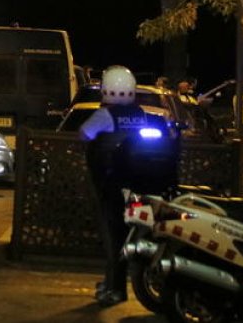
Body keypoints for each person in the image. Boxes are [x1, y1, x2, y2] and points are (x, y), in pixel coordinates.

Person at [79, 65, 164, 307]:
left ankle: (115, 289)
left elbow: (84, 134)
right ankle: (111, 283)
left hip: (110, 185)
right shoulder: (138, 113)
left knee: (113, 237)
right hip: (137, 184)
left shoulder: (105, 115)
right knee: (125, 235)